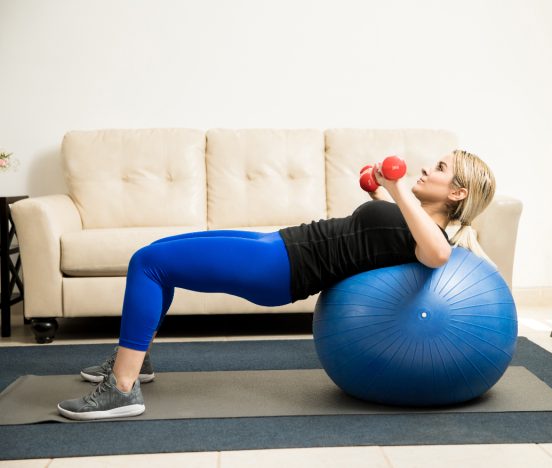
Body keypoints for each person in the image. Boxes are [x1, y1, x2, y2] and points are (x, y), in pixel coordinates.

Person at [57, 149, 496, 420]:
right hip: (279, 245)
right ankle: (135, 362)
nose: (425, 166)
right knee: (159, 253)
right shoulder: (414, 221)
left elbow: (436, 254)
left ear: (456, 194)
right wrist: (380, 191)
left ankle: (121, 388)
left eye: (439, 167)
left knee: (148, 263)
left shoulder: (433, 238)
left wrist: (396, 188)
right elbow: (382, 235)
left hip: (278, 267)